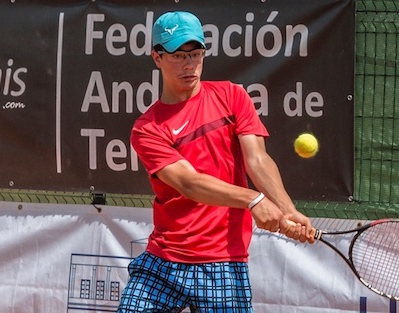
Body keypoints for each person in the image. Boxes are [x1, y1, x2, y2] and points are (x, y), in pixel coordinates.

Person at [118, 11, 316, 313]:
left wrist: (287, 210)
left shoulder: (232, 96)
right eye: (178, 55)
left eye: (196, 54)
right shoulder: (148, 129)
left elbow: (257, 159)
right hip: (164, 259)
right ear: (156, 57)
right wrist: (253, 200)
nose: (189, 65)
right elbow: (189, 182)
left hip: (224, 262)